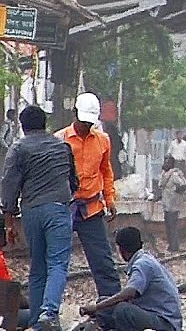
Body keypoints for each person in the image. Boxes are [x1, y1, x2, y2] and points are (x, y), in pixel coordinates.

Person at [1, 105, 78, 331]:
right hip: (57, 209)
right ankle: (49, 312)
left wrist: (9, 221)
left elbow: (9, 185)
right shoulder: (63, 146)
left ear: (23, 127)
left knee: (38, 266)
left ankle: (35, 320)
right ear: (45, 124)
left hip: (32, 212)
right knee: (57, 263)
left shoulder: (18, 149)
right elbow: (73, 181)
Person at [54, 92, 122, 299]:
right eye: (83, 121)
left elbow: (106, 171)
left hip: (91, 209)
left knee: (103, 261)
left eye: (89, 122)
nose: (86, 126)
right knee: (55, 262)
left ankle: (111, 306)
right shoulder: (59, 139)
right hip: (64, 208)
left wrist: (109, 198)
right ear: (75, 113)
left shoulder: (103, 140)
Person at [79, 226, 183, 331]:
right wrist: (100, 307)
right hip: (155, 316)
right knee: (105, 303)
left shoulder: (142, 264)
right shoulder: (145, 259)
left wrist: (96, 308)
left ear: (122, 250)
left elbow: (130, 293)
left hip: (165, 323)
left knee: (123, 310)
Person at [157, 159, 186, 252]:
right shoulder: (164, 174)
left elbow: (184, 186)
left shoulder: (174, 175)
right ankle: (172, 245)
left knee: (172, 226)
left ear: (171, 164)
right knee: (168, 226)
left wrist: (176, 192)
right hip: (167, 204)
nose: (165, 164)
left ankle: (174, 246)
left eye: (167, 162)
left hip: (173, 205)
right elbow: (161, 187)